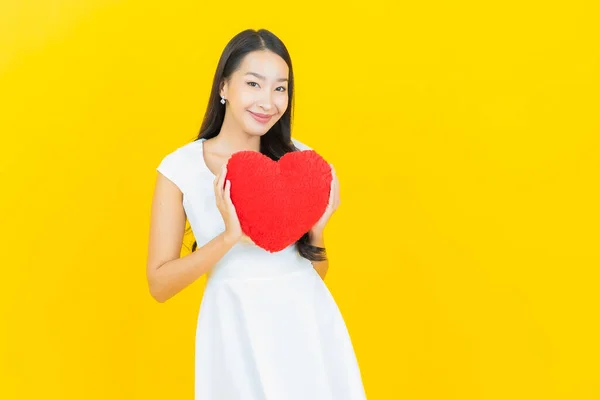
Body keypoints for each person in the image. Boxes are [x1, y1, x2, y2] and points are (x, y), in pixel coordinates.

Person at [147, 28, 367, 399]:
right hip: (233, 325)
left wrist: (317, 230)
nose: (268, 101)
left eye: (280, 88)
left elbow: (315, 273)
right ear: (223, 87)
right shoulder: (180, 168)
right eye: (253, 83)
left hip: (307, 323)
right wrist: (230, 237)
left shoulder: (301, 160)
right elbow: (159, 285)